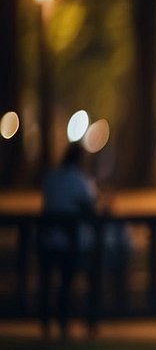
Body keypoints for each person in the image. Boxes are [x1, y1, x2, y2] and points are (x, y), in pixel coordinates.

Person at [39, 142, 99, 339]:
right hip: (72, 242)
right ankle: (84, 320)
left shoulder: (52, 177)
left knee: (53, 282)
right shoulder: (78, 179)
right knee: (76, 278)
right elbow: (89, 205)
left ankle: (50, 321)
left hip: (49, 239)